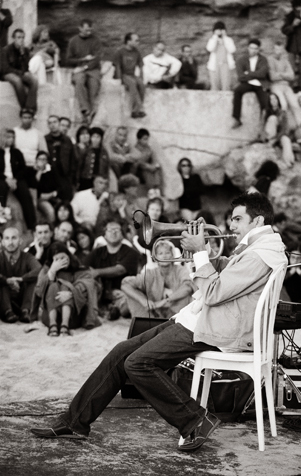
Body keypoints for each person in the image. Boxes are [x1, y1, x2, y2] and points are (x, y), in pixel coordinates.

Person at [30, 192, 287, 452]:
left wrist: (199, 253)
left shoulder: (259, 254)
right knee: (121, 351)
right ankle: (74, 421)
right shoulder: (258, 248)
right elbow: (228, 275)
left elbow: (213, 292)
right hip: (208, 319)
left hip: (218, 328)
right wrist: (207, 253)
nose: (231, 226)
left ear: (258, 221)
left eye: (238, 219)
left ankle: (196, 420)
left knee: (137, 363)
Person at [32, 242, 101, 336]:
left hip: (74, 316)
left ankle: (65, 325)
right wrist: (51, 272)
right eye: (57, 259)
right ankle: (53, 325)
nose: (61, 261)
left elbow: (89, 284)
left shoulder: (78, 268)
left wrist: (71, 293)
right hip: (49, 316)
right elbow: (39, 291)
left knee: (66, 286)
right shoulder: (46, 270)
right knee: (53, 286)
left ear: (68, 256)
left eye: (63, 258)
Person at [122, 239, 195, 318]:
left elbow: (188, 287)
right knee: (133, 294)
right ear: (155, 257)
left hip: (177, 312)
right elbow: (125, 285)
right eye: (160, 253)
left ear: (172, 255)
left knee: (185, 295)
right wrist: (143, 301)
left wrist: (165, 301)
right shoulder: (151, 273)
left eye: (167, 253)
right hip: (155, 312)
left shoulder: (180, 270)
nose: (164, 256)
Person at [87, 219, 139, 318]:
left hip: (123, 293)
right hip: (101, 293)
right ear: (104, 235)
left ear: (122, 234)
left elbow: (120, 269)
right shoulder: (97, 252)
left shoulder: (131, 253)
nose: (113, 232)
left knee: (131, 301)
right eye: (110, 230)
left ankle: (115, 311)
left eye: (117, 230)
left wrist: (96, 272)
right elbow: (85, 267)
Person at [0, 227, 41, 324]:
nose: (10, 242)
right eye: (7, 238)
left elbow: (39, 269)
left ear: (20, 241)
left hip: (22, 297)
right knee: (1, 283)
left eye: (14, 238)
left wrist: (21, 279)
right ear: (2, 242)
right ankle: (8, 312)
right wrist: (7, 281)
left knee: (33, 281)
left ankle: (26, 311)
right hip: (3, 299)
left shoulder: (27, 257)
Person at [0, 128, 36, 232]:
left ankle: (31, 225)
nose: (11, 140)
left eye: (13, 137)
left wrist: (15, 180)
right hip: (2, 179)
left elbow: (22, 168)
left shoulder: (16, 152)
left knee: (25, 193)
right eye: (8, 137)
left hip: (16, 178)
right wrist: (6, 179)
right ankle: (1, 215)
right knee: (1, 188)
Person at [67, 19, 102, 124]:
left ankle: (91, 112)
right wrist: (83, 60)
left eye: (90, 30)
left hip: (92, 69)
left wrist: (85, 67)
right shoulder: (73, 41)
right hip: (79, 69)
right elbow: (68, 59)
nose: (89, 32)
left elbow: (97, 58)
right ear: (80, 28)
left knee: (94, 84)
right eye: (86, 30)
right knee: (79, 81)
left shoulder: (96, 40)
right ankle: (85, 110)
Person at [231, 38, 269, 132]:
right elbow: (240, 76)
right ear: (248, 48)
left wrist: (248, 73)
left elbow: (262, 74)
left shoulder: (263, 59)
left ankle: (264, 124)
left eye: (256, 48)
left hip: (260, 84)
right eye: (252, 48)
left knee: (265, 101)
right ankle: (237, 118)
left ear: (259, 49)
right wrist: (255, 75)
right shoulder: (241, 59)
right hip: (247, 84)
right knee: (237, 91)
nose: (253, 50)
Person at [2, 29, 38, 113]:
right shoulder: (6, 50)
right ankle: (24, 107)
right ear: (14, 39)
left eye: (22, 37)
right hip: (8, 73)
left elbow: (26, 68)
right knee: (17, 81)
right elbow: (5, 68)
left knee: (34, 80)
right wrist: (19, 73)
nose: (21, 40)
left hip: (20, 72)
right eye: (18, 37)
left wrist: (23, 55)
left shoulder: (25, 50)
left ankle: (30, 107)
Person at [45, 115, 78, 201]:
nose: (52, 125)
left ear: (59, 124)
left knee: (66, 202)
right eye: (50, 123)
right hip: (50, 177)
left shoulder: (67, 140)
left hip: (65, 177)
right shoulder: (45, 139)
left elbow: (73, 160)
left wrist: (72, 179)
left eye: (55, 122)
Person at [14, 108, 49, 187]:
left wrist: (40, 166)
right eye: (24, 117)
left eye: (29, 118)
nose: (27, 120)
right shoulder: (15, 132)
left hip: (33, 168)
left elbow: (44, 152)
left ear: (32, 119)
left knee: (33, 189)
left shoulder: (38, 133)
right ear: (21, 118)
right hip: (18, 168)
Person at [114, 32, 145, 118]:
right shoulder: (120, 52)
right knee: (132, 84)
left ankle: (139, 108)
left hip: (132, 74)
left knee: (141, 85)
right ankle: (135, 110)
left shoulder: (137, 52)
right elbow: (117, 67)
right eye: (136, 40)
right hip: (124, 75)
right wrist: (119, 80)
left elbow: (141, 66)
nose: (138, 43)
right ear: (128, 41)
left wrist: (141, 78)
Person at [267, 41, 298, 117]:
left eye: (280, 50)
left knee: (295, 105)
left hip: (286, 86)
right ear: (273, 50)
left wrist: (280, 74)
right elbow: (272, 77)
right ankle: (283, 126)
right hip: (276, 86)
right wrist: (285, 75)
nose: (278, 52)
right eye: (277, 49)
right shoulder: (270, 59)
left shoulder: (285, 60)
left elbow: (292, 76)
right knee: (283, 104)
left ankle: (300, 125)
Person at [264, 93, 295, 168]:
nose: (273, 101)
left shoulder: (282, 113)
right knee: (273, 118)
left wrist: (276, 139)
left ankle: (287, 161)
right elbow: (262, 127)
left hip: (279, 136)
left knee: (286, 139)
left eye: (275, 99)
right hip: (269, 135)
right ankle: (270, 140)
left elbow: (284, 129)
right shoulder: (265, 112)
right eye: (271, 99)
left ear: (278, 100)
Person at [206, 21, 236, 91]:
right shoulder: (212, 40)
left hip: (226, 65)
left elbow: (232, 50)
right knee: (214, 86)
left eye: (221, 29)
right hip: (214, 66)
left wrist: (224, 38)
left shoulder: (228, 40)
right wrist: (215, 37)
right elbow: (210, 48)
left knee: (226, 86)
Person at [34, 151, 59, 223]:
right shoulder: (32, 171)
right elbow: (34, 185)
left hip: (52, 196)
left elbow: (58, 185)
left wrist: (53, 194)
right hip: (40, 199)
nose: (42, 161)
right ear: (36, 160)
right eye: (40, 159)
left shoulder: (52, 170)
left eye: (44, 159)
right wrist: (40, 171)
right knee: (50, 211)